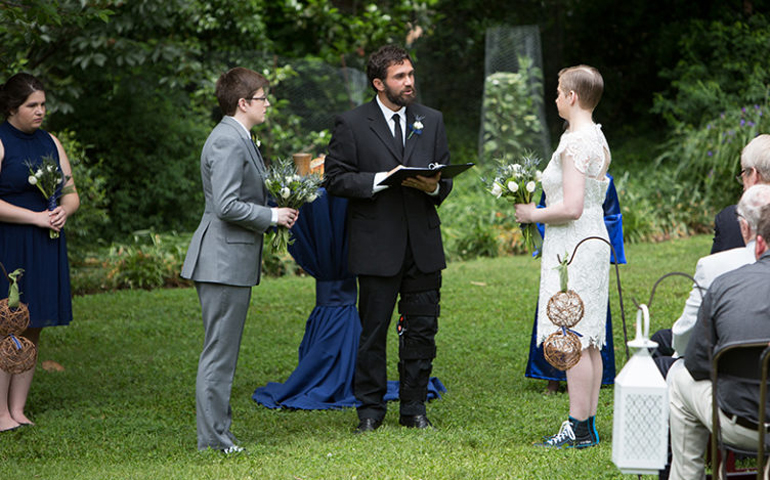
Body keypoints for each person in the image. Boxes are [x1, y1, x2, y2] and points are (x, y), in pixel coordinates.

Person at [324, 45, 453, 433]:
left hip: (423, 246)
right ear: (379, 83)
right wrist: (383, 179)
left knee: (422, 329)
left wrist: (433, 187)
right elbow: (335, 180)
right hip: (377, 246)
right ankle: (369, 410)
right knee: (373, 332)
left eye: (411, 74)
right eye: (400, 77)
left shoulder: (432, 120)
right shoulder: (351, 123)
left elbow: (444, 181)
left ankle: (414, 407)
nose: (409, 82)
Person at [180, 67, 298, 453]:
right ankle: (213, 441)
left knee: (222, 352)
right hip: (221, 261)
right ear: (243, 103)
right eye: (262, 98)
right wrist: (272, 216)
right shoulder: (228, 141)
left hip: (228, 259)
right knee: (219, 354)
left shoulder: (239, 136)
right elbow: (228, 204)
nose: (267, 104)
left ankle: (218, 435)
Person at [514, 65, 610, 449]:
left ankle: (577, 426)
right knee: (588, 338)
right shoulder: (596, 137)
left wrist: (532, 214)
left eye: (558, 91)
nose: (555, 97)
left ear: (572, 97)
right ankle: (586, 425)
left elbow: (571, 206)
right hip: (593, 239)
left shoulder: (574, 143)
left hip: (573, 244)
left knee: (572, 335)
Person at [0, 73, 80, 432]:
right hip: (11, 243)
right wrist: (34, 217)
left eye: (43, 104)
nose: (41, 111)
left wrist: (66, 209)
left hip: (45, 243)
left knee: (33, 326)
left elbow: (72, 192)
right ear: (12, 107)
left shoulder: (51, 141)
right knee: (8, 325)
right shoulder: (1, 141)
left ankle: (18, 409)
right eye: (33, 105)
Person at [667, 203, 770, 480]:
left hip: (740, 421)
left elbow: (697, 364)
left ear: (757, 243)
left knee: (679, 379)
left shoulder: (724, 284)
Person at [652, 184, 770, 377]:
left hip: (729, 383)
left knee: (659, 367)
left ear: (744, 226)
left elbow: (687, 343)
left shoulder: (714, 267)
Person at [710, 134, 770, 254]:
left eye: (743, 174)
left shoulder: (732, 219)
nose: (743, 186)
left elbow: (720, 270)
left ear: (754, 175)